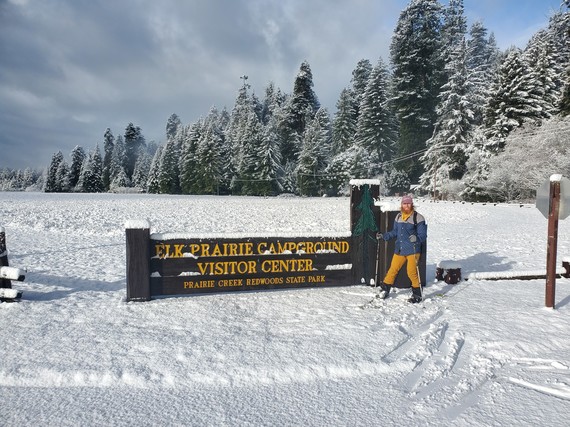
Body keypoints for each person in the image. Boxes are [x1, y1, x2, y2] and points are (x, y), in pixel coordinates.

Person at [377, 195, 427, 303]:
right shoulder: (398, 217)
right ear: (401, 205)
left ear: (412, 204)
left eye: (408, 203)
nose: (406, 205)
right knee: (392, 270)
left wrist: (416, 238)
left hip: (413, 249)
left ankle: (417, 294)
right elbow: (395, 232)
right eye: (404, 203)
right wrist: (384, 236)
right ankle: (385, 289)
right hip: (400, 249)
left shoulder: (418, 218)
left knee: (411, 272)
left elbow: (423, 235)